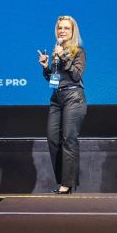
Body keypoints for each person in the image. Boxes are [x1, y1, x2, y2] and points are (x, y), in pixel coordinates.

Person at [38, 15, 87, 194]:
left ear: (73, 31)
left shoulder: (78, 52)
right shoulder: (56, 53)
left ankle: (67, 184)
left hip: (74, 97)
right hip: (57, 98)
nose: (62, 31)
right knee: (52, 139)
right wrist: (46, 67)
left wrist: (63, 55)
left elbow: (76, 75)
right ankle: (62, 181)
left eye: (66, 28)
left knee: (69, 139)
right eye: (60, 28)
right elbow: (54, 80)